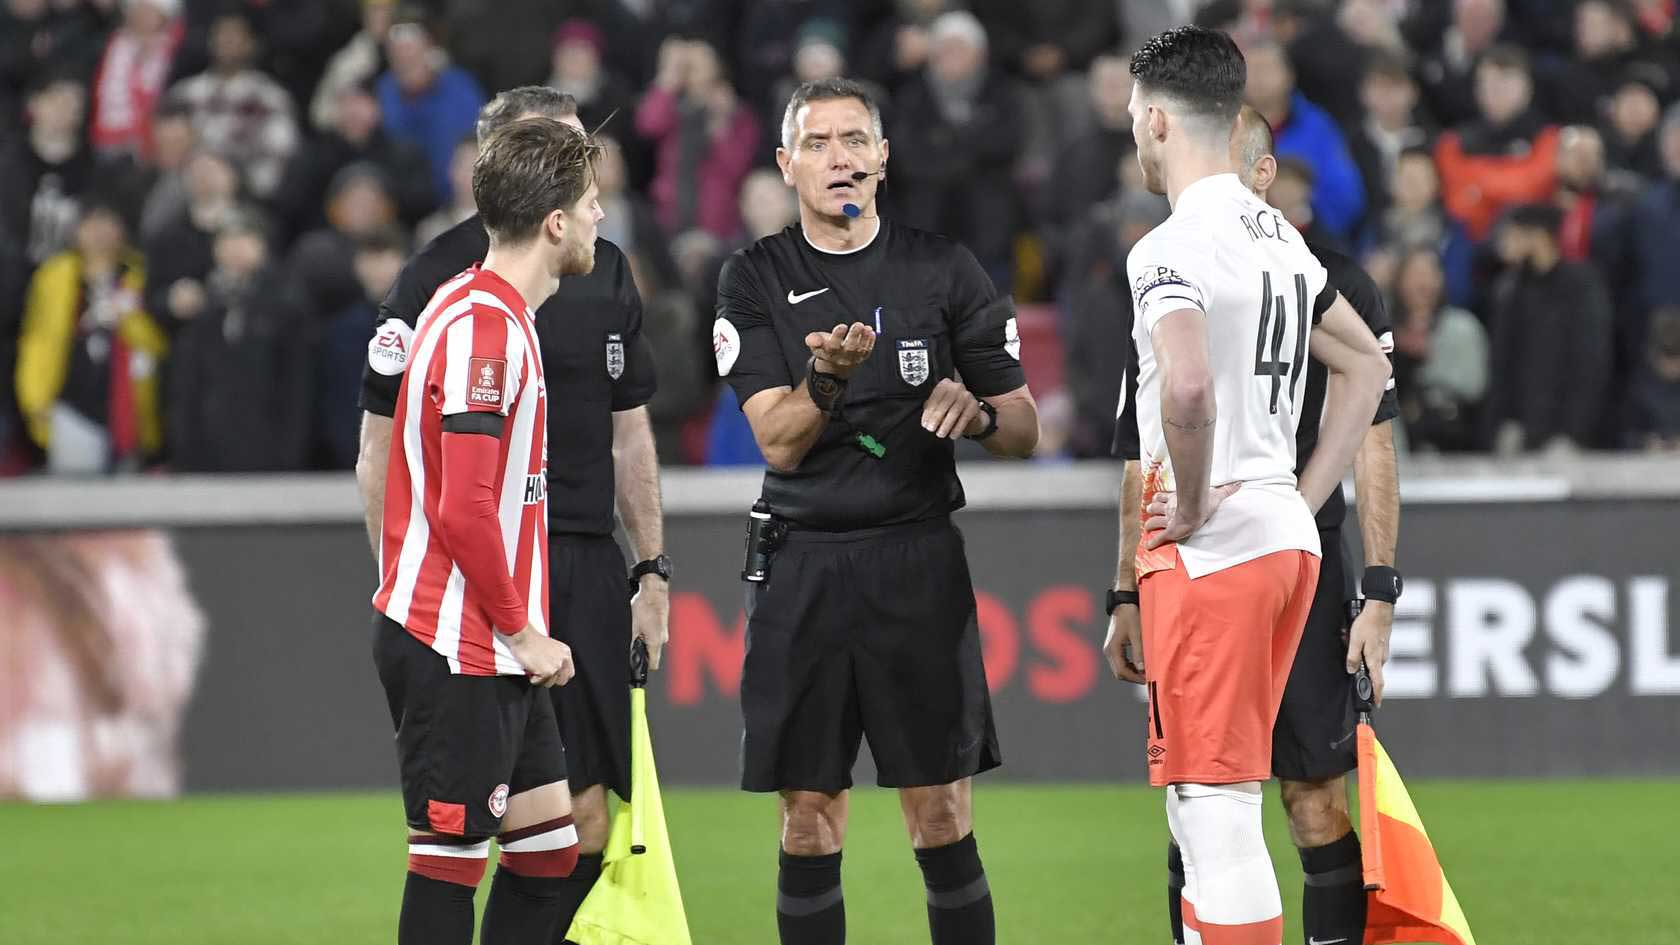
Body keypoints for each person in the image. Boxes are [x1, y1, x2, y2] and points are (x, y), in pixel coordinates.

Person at [714, 77, 1040, 945]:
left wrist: (977, 415)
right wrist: (828, 378)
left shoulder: (943, 267)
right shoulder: (752, 278)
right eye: (817, 143)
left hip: (916, 558)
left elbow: (1025, 427)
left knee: (940, 813)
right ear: (787, 166)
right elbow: (778, 443)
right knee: (809, 819)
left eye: (855, 139)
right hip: (803, 564)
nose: (840, 158)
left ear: (884, 158)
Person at [357, 87, 670, 945]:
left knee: (546, 852)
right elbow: (462, 507)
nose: (604, 215)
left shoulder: (498, 312)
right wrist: (523, 632)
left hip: (492, 635)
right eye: (592, 202)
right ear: (557, 224)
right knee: (449, 858)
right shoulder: (484, 330)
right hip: (460, 637)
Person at [1100, 28, 1390, 945]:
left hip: (1213, 550)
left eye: (1133, 123)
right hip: (1283, 537)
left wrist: (1187, 502)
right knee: (1217, 805)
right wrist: (1298, 498)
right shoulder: (1282, 240)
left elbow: (1185, 384)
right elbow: (1366, 371)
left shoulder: (1167, 247)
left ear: (1154, 120)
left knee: (1215, 809)